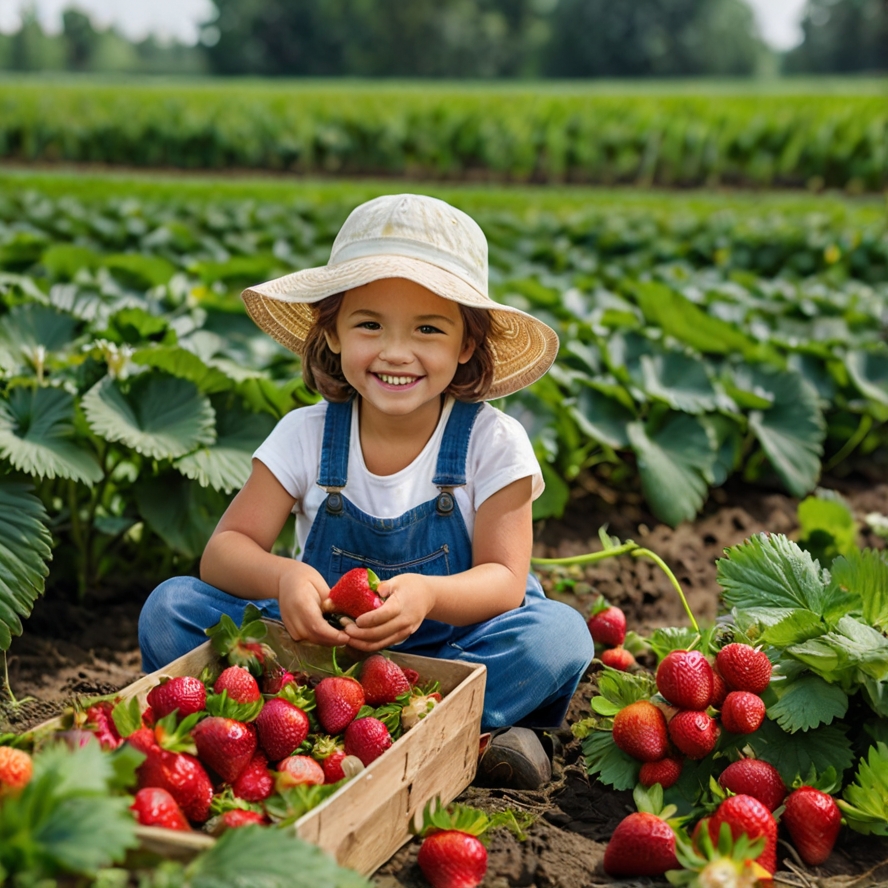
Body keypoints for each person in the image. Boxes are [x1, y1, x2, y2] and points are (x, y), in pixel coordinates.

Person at [138, 193, 594, 788]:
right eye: (369, 325)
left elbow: (506, 581)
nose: (396, 352)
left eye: (428, 329)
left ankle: (364, 726)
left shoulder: (492, 442)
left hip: (450, 656)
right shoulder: (305, 435)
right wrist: (284, 578)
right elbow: (224, 552)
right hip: (317, 653)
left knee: (558, 633)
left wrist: (428, 594)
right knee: (171, 607)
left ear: (466, 344)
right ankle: (455, 736)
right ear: (331, 332)